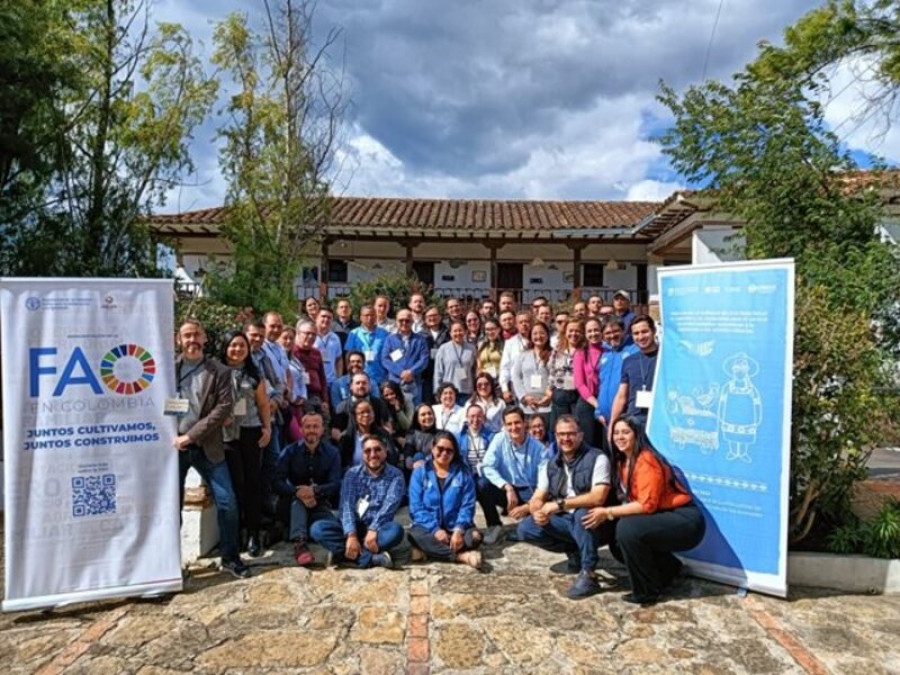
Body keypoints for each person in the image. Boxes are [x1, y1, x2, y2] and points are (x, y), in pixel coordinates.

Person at [582, 415, 706, 605]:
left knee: (627, 530)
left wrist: (607, 512)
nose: (620, 437)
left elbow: (647, 505)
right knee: (618, 541)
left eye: (626, 432)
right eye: (616, 433)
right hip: (663, 515)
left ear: (637, 434)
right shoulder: (622, 461)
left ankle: (647, 591)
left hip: (685, 519)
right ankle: (667, 569)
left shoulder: (646, 460)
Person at [173, 319, 250, 578]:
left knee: (227, 501)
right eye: (187, 335)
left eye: (197, 335)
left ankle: (230, 557)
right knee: (171, 505)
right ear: (178, 340)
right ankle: (172, 563)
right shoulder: (167, 369)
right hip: (175, 447)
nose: (192, 340)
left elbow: (223, 409)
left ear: (205, 339)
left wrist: (191, 435)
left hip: (208, 446)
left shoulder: (219, 371)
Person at [517, 415, 616, 598]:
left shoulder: (597, 458)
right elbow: (538, 496)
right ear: (555, 436)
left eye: (571, 434)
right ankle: (573, 549)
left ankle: (589, 572)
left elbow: (598, 497)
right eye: (561, 434)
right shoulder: (551, 463)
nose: (566, 439)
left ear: (580, 435)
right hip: (565, 520)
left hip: (597, 523)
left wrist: (558, 505)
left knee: (583, 515)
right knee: (526, 528)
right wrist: (537, 510)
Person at [310, 434, 405, 569]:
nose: (373, 454)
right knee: (317, 529)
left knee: (396, 532)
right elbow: (346, 506)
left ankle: (343, 554)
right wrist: (351, 535)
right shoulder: (352, 474)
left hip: (378, 529)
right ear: (362, 454)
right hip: (353, 526)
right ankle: (371, 558)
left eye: (378, 450)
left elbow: (389, 507)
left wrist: (373, 529)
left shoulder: (395, 475)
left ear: (385, 451)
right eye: (367, 451)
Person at [220, 330, 272, 557]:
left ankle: (253, 533)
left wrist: (267, 427)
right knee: (234, 485)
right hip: (224, 435)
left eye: (242, 346)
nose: (238, 350)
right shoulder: (215, 371)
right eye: (233, 345)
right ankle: (236, 532)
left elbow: (263, 404)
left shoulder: (253, 373)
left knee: (253, 482)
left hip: (250, 431)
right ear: (225, 347)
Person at [408, 432, 483, 568]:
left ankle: (431, 551)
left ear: (455, 453)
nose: (444, 453)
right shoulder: (420, 472)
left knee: (475, 537)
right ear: (432, 448)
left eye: (449, 451)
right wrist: (435, 529)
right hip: (428, 528)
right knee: (414, 535)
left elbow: (468, 505)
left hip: (455, 527)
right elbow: (416, 508)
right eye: (440, 449)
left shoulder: (463, 473)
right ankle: (460, 556)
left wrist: (459, 530)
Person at [275, 413, 342, 566]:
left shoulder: (332, 453)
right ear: (301, 429)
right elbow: (277, 482)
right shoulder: (289, 451)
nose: (312, 430)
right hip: (291, 503)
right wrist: (297, 491)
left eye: (315, 426)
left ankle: (293, 533)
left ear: (322, 430)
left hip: (320, 502)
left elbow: (335, 484)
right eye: (308, 427)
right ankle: (299, 544)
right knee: (298, 503)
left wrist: (314, 491)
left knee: (327, 529)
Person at [481, 407, 549, 529]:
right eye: (509, 424)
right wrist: (506, 487)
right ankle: (494, 526)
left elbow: (544, 483)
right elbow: (487, 466)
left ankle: (527, 515)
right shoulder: (499, 439)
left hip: (530, 491)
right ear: (505, 426)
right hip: (508, 490)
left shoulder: (539, 449)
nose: (513, 427)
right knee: (482, 484)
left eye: (517, 422)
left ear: (524, 423)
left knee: (539, 521)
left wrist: (527, 506)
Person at [457, 405, 503, 544]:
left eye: (479, 416)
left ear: (483, 418)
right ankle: (466, 526)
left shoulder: (492, 436)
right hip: (468, 475)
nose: (475, 419)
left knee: (481, 485)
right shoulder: (459, 437)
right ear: (466, 418)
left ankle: (494, 524)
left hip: (488, 477)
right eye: (472, 416)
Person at [596, 316, 639, 452]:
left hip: (625, 417)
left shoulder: (634, 351)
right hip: (606, 420)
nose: (612, 336)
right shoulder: (605, 355)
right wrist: (598, 411)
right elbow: (601, 385)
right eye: (608, 333)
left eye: (615, 331)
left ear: (623, 331)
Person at [610, 315, 659, 431]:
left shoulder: (665, 358)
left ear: (654, 331)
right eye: (636, 333)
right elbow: (622, 396)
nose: (640, 337)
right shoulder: (629, 361)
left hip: (657, 420)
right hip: (634, 421)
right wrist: (612, 424)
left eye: (644, 332)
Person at [380, 309, 430, 406]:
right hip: (395, 383)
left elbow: (424, 359)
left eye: (407, 320)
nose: (404, 323)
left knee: (414, 412)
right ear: (396, 321)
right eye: (401, 320)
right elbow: (385, 359)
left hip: (414, 382)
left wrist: (411, 372)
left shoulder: (420, 339)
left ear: (412, 322)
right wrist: (401, 372)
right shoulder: (390, 339)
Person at [337, 398, 396, 470]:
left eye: (369, 412)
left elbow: (392, 458)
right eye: (362, 412)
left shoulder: (384, 434)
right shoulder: (346, 437)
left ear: (374, 415)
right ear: (355, 417)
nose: (366, 415)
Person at [331, 371, 390, 440]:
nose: (361, 386)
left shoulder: (379, 403)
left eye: (364, 383)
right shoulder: (342, 407)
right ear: (351, 386)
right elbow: (335, 431)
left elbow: (387, 425)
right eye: (357, 383)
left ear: (369, 386)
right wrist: (345, 444)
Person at [573, 318, 604, 448]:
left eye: (596, 330)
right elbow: (580, 384)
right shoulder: (580, 353)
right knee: (589, 443)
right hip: (588, 402)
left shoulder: (609, 351)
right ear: (585, 334)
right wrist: (596, 404)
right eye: (589, 331)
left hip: (606, 401)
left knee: (605, 443)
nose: (593, 334)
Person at [548, 319, 582, 434]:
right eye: (571, 331)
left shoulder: (584, 350)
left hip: (578, 395)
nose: (574, 334)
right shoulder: (558, 350)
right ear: (565, 332)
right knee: (560, 428)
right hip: (560, 392)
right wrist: (550, 388)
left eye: (577, 331)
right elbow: (551, 370)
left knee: (575, 428)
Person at [512, 321, 551, 418]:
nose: (539, 336)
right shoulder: (523, 355)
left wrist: (549, 396)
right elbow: (516, 377)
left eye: (542, 333)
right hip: (527, 405)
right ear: (530, 336)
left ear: (547, 335)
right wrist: (524, 397)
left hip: (547, 405)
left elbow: (556, 377)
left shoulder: (554, 355)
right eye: (535, 333)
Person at [344, 304, 389, 389]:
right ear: (361, 317)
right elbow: (348, 356)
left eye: (372, 315)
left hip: (380, 378)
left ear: (376, 316)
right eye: (366, 315)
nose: (369, 318)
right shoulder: (354, 334)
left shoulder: (384, 333)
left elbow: (390, 354)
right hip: (359, 379)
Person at [293, 321, 330, 420]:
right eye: (307, 333)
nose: (311, 337)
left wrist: (325, 400)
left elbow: (322, 378)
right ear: (298, 333)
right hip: (300, 398)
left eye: (314, 334)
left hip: (317, 397)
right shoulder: (292, 352)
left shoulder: (316, 353)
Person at [433, 320, 476, 403]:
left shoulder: (472, 348)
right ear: (450, 333)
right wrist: (437, 392)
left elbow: (475, 370)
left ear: (465, 331)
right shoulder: (443, 348)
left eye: (460, 330)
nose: (458, 333)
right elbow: (438, 372)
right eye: (455, 331)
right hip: (448, 392)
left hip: (467, 391)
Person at [499, 311, 532, 404]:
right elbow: (505, 367)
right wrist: (505, 389)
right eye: (521, 322)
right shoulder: (510, 343)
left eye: (527, 321)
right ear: (516, 325)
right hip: (518, 388)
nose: (524, 324)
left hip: (536, 387)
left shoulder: (538, 341)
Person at [314, 307, 344, 382]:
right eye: (323, 316)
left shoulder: (335, 338)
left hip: (331, 381)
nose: (326, 319)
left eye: (329, 317)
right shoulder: (309, 335)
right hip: (315, 381)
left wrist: (339, 378)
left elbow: (339, 359)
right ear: (316, 318)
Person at [404, 403, 437, 469]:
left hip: (434, 467)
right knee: (418, 456)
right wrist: (412, 465)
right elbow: (408, 452)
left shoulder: (440, 435)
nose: (427, 416)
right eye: (423, 415)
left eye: (430, 413)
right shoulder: (412, 434)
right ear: (417, 419)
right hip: (415, 469)